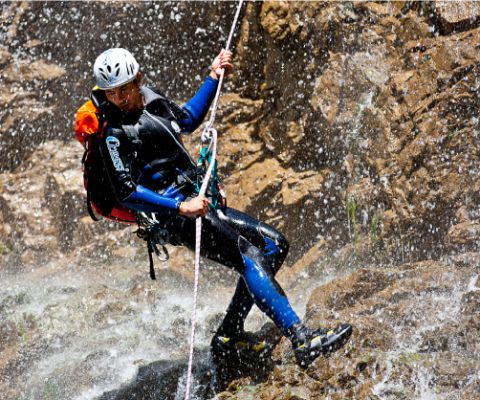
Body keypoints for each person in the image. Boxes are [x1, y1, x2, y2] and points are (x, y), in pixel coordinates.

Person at [83, 47, 352, 368]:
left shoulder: (153, 101)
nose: (121, 98)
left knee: (274, 246)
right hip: (176, 216)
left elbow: (186, 119)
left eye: (126, 88)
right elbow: (126, 192)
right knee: (250, 254)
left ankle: (228, 333)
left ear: (138, 78)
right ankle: (302, 338)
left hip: (196, 202)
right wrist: (180, 206)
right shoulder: (114, 135)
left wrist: (213, 77)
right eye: (112, 93)